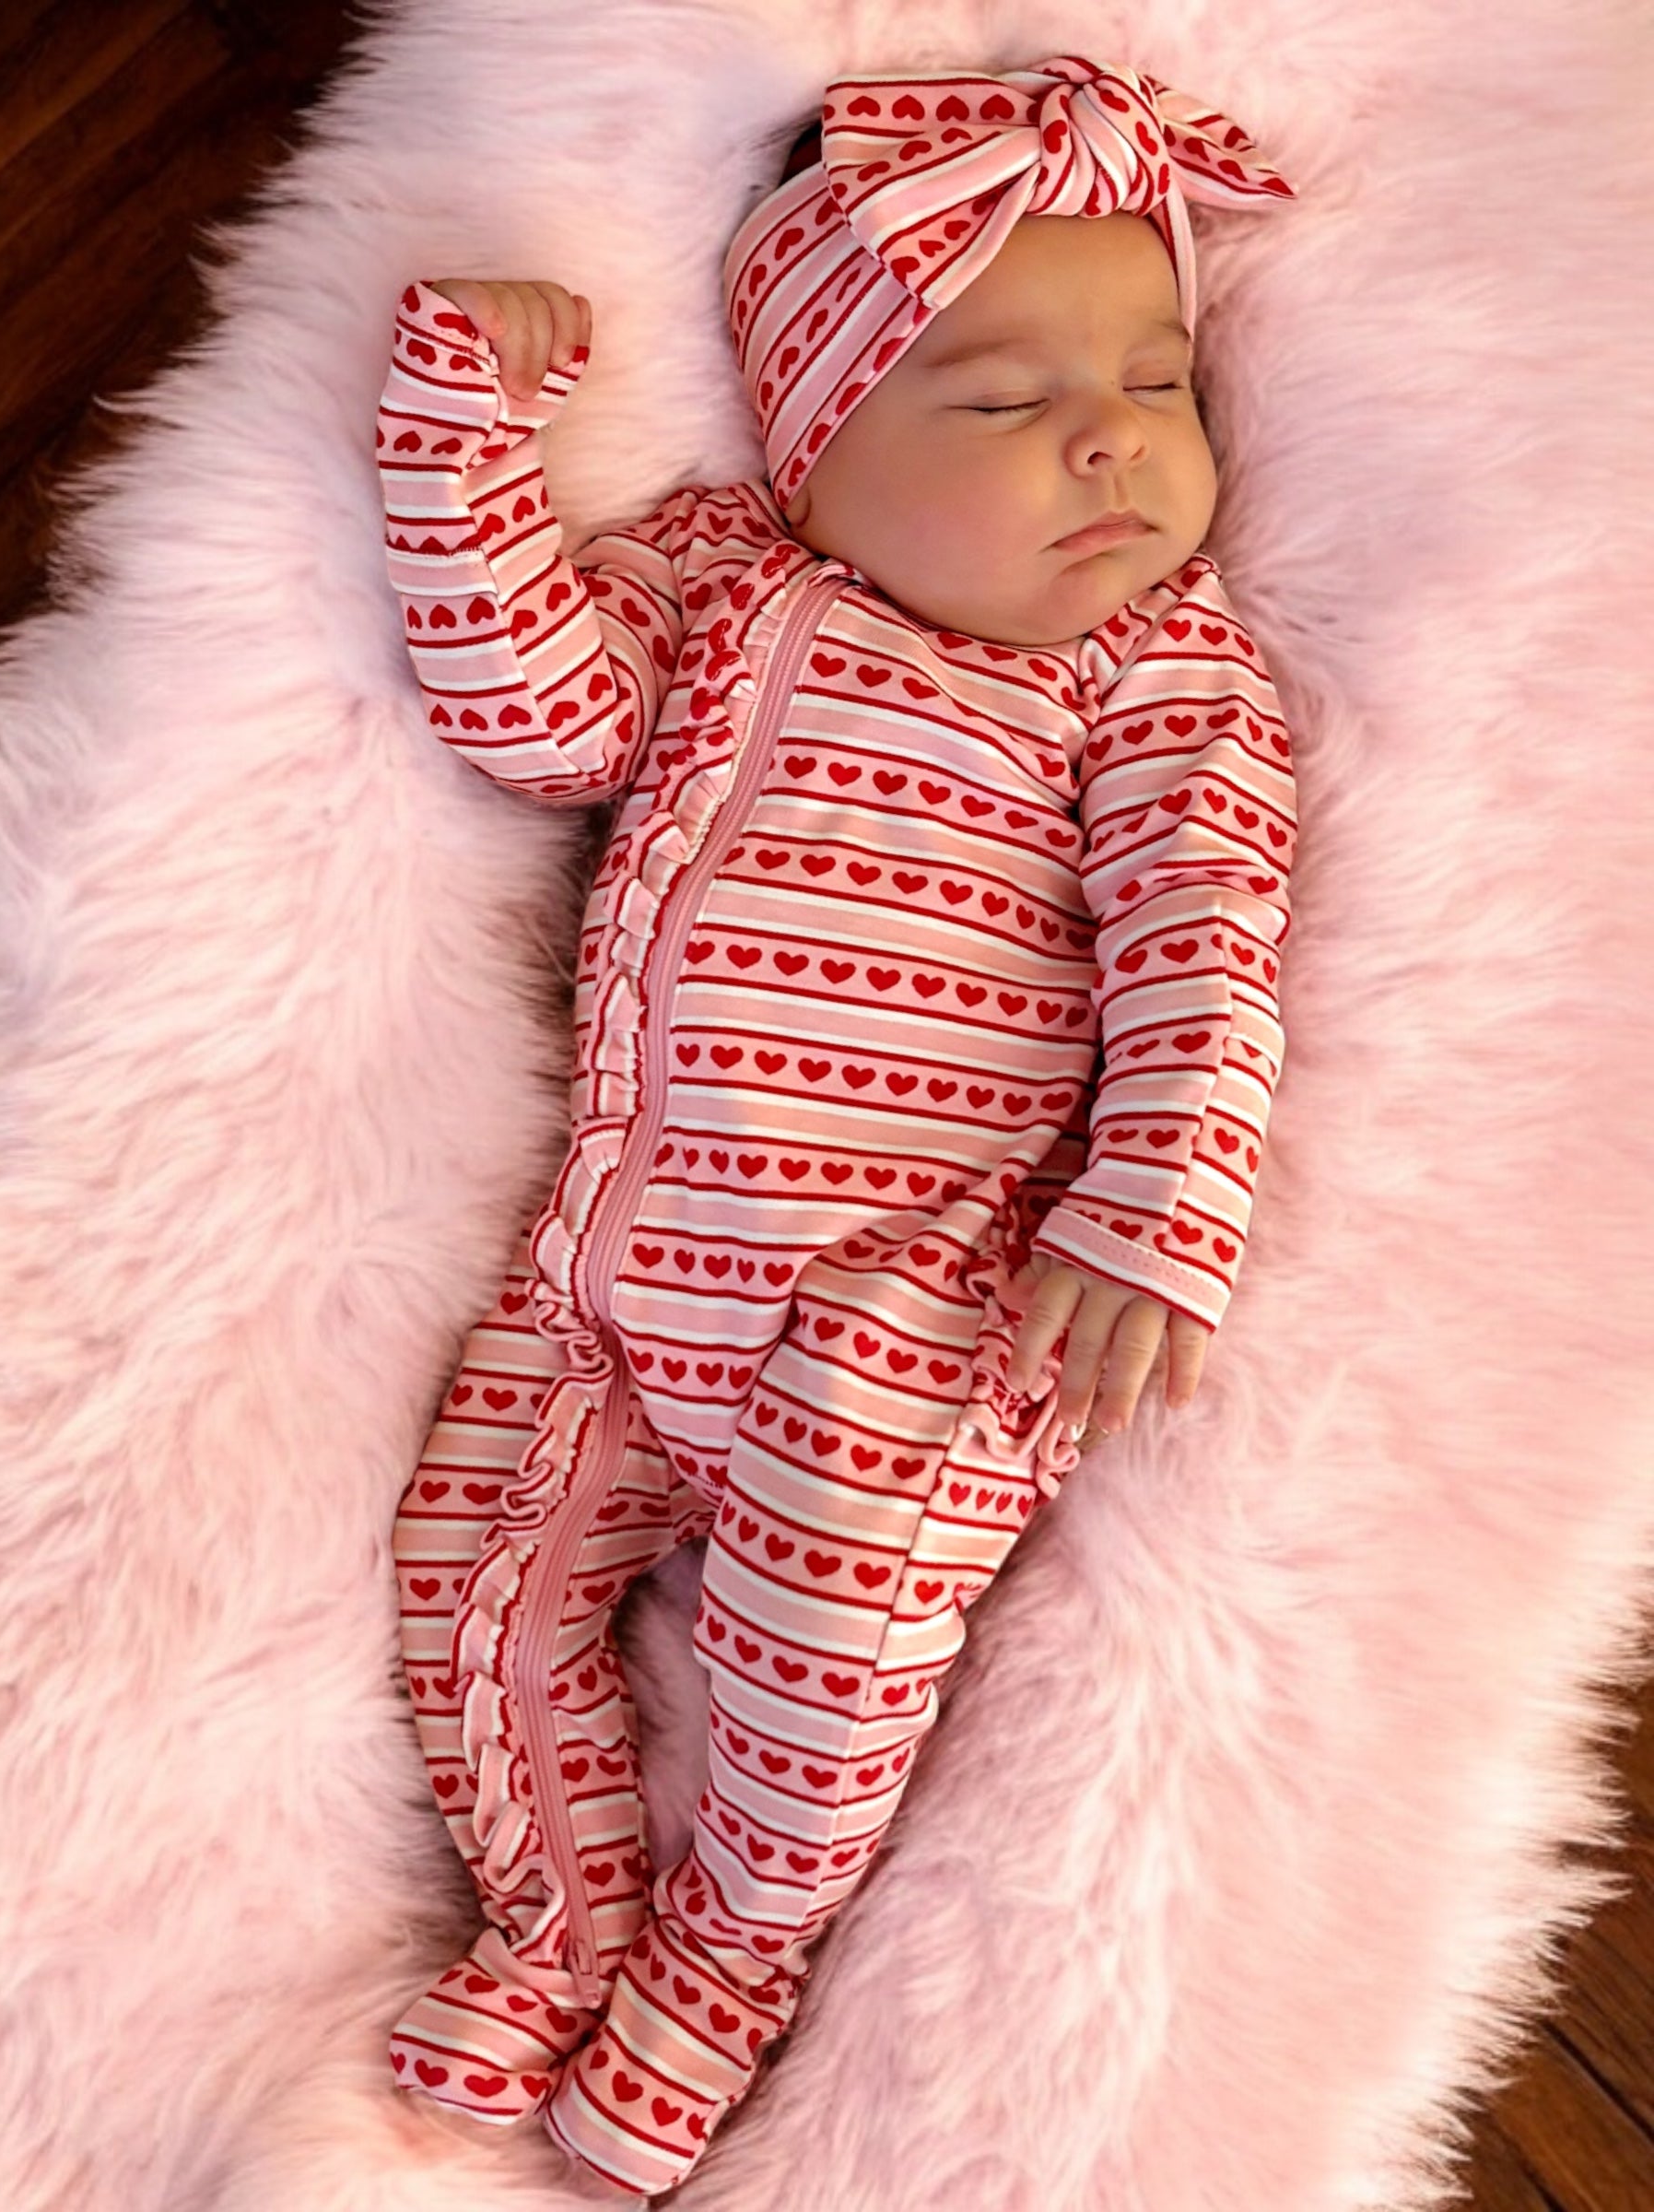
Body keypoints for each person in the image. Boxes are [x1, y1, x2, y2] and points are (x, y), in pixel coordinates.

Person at [376, 53, 1297, 2196]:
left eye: (1156, 383)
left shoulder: (1154, 677)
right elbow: (526, 712)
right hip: (607, 1292)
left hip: (912, 1313)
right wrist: (463, 441)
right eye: (995, 398)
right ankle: (556, 1926)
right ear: (813, 449)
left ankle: (721, 1959)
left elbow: (1205, 934)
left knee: (839, 1613)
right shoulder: (716, 591)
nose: (1109, 438)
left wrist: (1161, 1193)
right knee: (469, 1585)